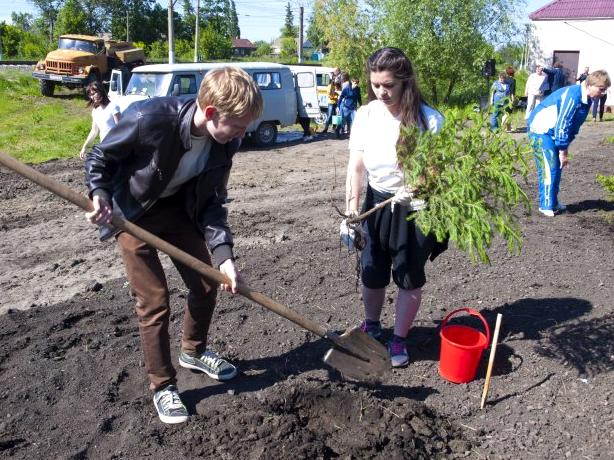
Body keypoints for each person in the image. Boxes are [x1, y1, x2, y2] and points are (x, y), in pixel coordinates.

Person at [84, 66, 263, 424]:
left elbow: (211, 201)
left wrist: (224, 256)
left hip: (177, 210)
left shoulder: (227, 143)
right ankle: (163, 385)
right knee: (154, 301)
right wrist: (100, 194)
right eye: (239, 126)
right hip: (132, 214)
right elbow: (100, 157)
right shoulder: (149, 118)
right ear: (211, 113)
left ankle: (193, 352)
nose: (244, 134)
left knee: (207, 282)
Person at [343, 47, 445, 367]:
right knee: (372, 269)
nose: (381, 92)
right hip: (377, 201)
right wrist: (350, 214)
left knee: (408, 274)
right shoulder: (367, 115)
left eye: (388, 85)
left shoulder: (429, 120)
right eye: (375, 84)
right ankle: (372, 326)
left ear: (405, 82)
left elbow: (438, 171)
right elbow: (356, 167)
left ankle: (399, 339)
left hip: (415, 207)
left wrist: (418, 187)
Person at [527, 70, 611, 217]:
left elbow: (573, 126)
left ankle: (553, 202)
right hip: (541, 130)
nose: (603, 93)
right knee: (549, 167)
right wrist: (563, 150)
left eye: (605, 90)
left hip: (553, 132)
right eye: (601, 89)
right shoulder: (573, 95)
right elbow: (563, 124)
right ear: (590, 85)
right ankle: (545, 205)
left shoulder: (586, 99)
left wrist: (564, 145)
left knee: (557, 167)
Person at [79, 81, 121, 160]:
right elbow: (94, 131)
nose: (92, 97)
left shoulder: (113, 106)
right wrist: (84, 147)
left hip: (115, 147)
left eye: (94, 93)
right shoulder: (95, 111)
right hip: (104, 148)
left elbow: (120, 130)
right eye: (90, 95)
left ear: (101, 91)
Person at [336, 72, 360, 138]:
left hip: (353, 108)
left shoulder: (357, 89)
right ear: (352, 82)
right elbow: (341, 97)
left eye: (357, 83)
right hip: (345, 108)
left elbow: (359, 97)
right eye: (355, 83)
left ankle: (354, 135)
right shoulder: (346, 89)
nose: (356, 84)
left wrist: (360, 105)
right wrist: (338, 106)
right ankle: (337, 131)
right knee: (342, 121)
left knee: (355, 121)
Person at [501, 66, 517, 132]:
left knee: (506, 112)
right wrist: (513, 100)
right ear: (513, 73)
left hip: (503, 97)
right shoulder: (513, 81)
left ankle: (508, 128)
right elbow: (512, 91)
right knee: (508, 113)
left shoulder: (504, 79)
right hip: (509, 98)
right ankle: (502, 126)